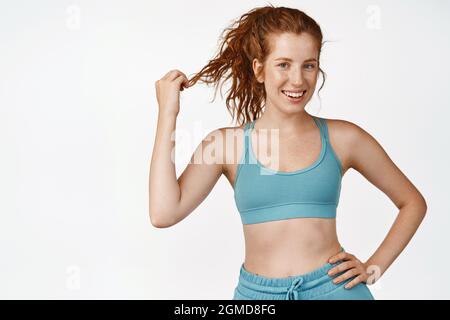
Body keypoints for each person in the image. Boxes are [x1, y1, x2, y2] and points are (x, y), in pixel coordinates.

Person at [149, 5, 427, 300]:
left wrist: (374, 267)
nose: (297, 80)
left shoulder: (344, 138)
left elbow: (412, 202)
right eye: (283, 64)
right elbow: (164, 212)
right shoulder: (227, 145)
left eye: (308, 65)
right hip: (257, 296)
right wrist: (168, 112)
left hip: (334, 290)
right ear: (259, 69)